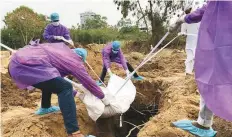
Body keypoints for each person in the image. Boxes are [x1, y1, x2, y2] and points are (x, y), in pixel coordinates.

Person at [8, 39, 110, 137]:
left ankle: (45, 107)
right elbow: (89, 83)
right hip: (27, 66)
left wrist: (77, 94)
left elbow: (55, 80)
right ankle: (74, 133)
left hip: (16, 65)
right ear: (80, 58)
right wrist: (103, 98)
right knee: (66, 87)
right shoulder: (73, 60)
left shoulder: (60, 54)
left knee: (50, 79)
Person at [169, 1, 232, 137]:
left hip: (222, 47)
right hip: (224, 47)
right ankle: (204, 121)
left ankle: (203, 123)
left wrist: (181, 20)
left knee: (210, 80)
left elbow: (205, 10)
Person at [179, 2, 201, 75]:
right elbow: (183, 31)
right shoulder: (185, 20)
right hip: (190, 40)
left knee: (197, 56)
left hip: (198, 40)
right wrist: (182, 34)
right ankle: (188, 71)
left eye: (189, 10)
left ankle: (197, 72)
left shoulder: (198, 18)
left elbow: (202, 28)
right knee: (190, 56)